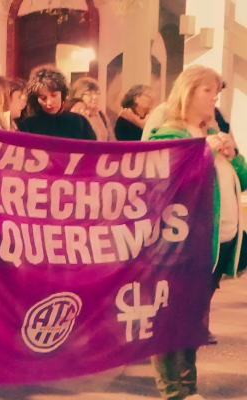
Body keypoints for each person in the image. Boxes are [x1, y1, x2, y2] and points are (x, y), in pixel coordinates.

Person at [147, 65, 247, 400]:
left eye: (217, 91)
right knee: (171, 319)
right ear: (188, 92)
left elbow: (243, 181)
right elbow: (162, 184)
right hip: (183, 245)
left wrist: (233, 157)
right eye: (208, 90)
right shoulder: (169, 136)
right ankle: (173, 391)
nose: (215, 97)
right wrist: (204, 149)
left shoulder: (216, 131)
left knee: (193, 319)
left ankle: (188, 388)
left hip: (218, 243)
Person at [18, 65, 96, 140]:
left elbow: (94, 150)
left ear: (62, 93)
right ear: (36, 99)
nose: (49, 102)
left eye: (54, 95)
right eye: (43, 98)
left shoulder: (79, 121)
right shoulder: (27, 125)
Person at [68, 77, 116, 141]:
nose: (95, 97)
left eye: (97, 93)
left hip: (103, 151)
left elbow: (112, 141)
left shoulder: (101, 115)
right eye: (90, 94)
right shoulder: (75, 114)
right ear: (79, 95)